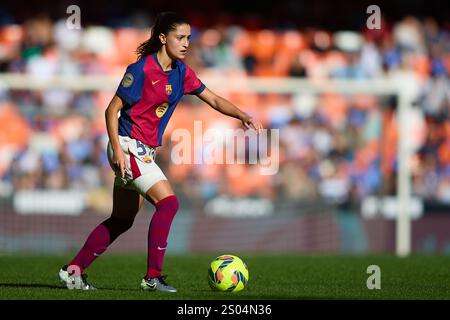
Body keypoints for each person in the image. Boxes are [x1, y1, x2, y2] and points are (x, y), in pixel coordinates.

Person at [58, 12, 262, 292]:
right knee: (169, 204)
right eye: (180, 37)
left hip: (142, 151)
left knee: (122, 219)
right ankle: (152, 277)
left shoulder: (181, 72)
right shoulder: (141, 70)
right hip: (128, 146)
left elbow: (212, 98)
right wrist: (117, 149)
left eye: (189, 38)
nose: (186, 43)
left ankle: (73, 270)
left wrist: (242, 115)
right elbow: (111, 109)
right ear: (164, 38)